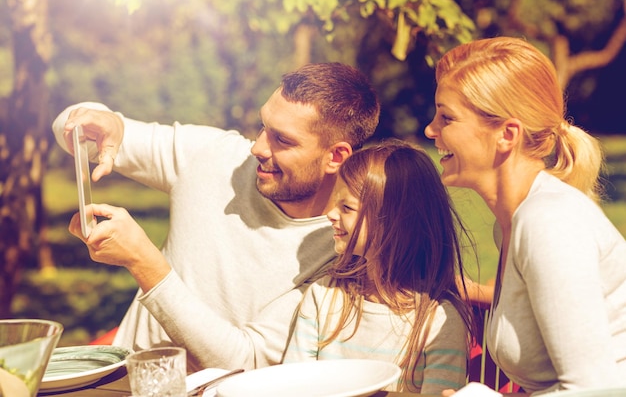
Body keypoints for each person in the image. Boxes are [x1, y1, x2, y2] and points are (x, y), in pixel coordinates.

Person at [51, 62, 381, 372]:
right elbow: (71, 126)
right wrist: (109, 125)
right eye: (264, 127)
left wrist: (144, 262)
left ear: (335, 156)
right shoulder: (214, 154)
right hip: (127, 384)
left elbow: (245, 361)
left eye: (283, 140)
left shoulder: (340, 249)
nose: (259, 148)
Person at [424, 36, 626, 395]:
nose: (430, 130)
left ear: (507, 134)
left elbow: (597, 389)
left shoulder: (548, 224)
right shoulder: (515, 223)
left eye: (446, 117)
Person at [283, 139, 475, 394]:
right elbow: (291, 386)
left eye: (346, 207)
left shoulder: (439, 321)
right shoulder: (323, 296)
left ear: (394, 222)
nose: (330, 213)